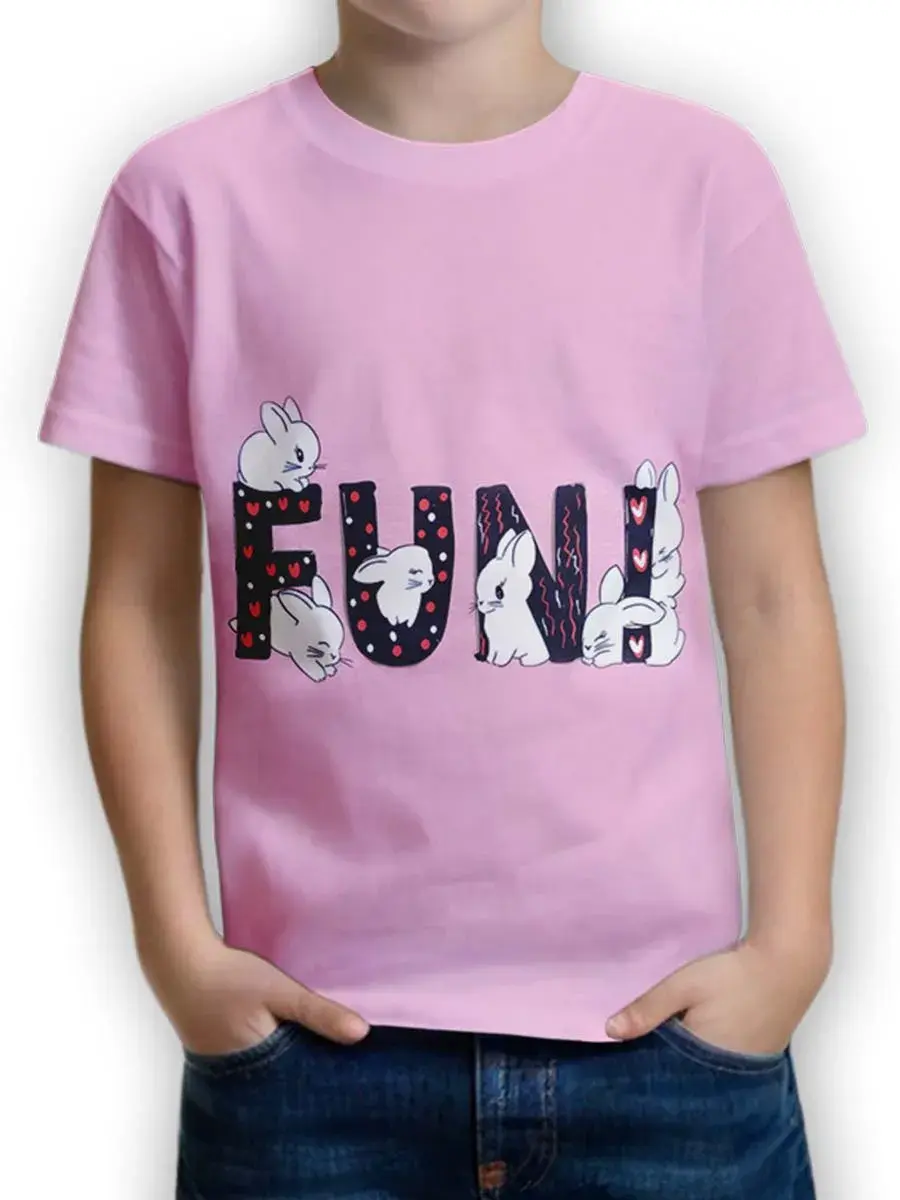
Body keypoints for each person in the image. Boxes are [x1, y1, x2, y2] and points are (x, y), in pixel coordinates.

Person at [39, 1, 865, 1196]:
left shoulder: (704, 180)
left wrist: (792, 944)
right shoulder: (183, 199)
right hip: (307, 1054)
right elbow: (135, 600)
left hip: (668, 1045)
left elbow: (776, 592)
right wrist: (177, 947)